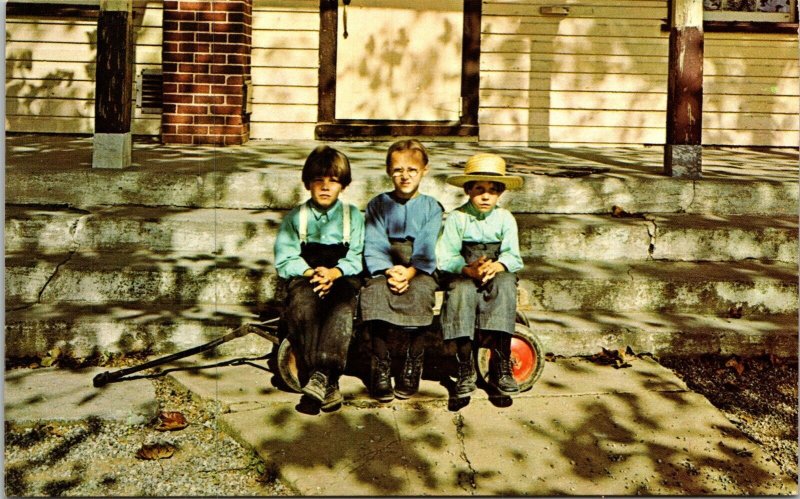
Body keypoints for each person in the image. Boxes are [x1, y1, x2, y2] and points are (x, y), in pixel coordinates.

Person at [274, 145, 365, 412]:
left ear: (343, 186)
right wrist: (311, 273)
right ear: (307, 184)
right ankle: (329, 382)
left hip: (342, 276)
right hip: (307, 275)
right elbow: (285, 257)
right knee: (303, 302)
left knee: (341, 304)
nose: (325, 187)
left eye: (333, 181)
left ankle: (320, 375)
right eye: (318, 181)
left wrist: (334, 273)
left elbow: (359, 256)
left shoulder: (353, 217)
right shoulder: (296, 218)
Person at [360, 139, 443, 402]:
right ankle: (380, 365)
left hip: (418, 268)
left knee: (420, 294)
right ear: (388, 172)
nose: (404, 176)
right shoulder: (378, 204)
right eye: (397, 170)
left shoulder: (432, 207)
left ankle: (412, 364)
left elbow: (428, 244)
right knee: (374, 293)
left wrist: (410, 272)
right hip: (385, 262)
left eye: (412, 170)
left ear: (424, 170)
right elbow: (373, 242)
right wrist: (387, 271)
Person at [435, 152, 524, 399]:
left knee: (505, 286)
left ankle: (501, 364)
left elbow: (513, 256)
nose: (485, 196)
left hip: (495, 270)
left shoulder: (505, 218)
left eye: (492, 190)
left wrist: (498, 266)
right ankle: (465, 367)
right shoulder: (457, 217)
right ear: (467, 190)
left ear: (500, 193)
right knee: (461, 291)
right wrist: (467, 269)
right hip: (465, 269)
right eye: (479, 189)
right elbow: (445, 256)